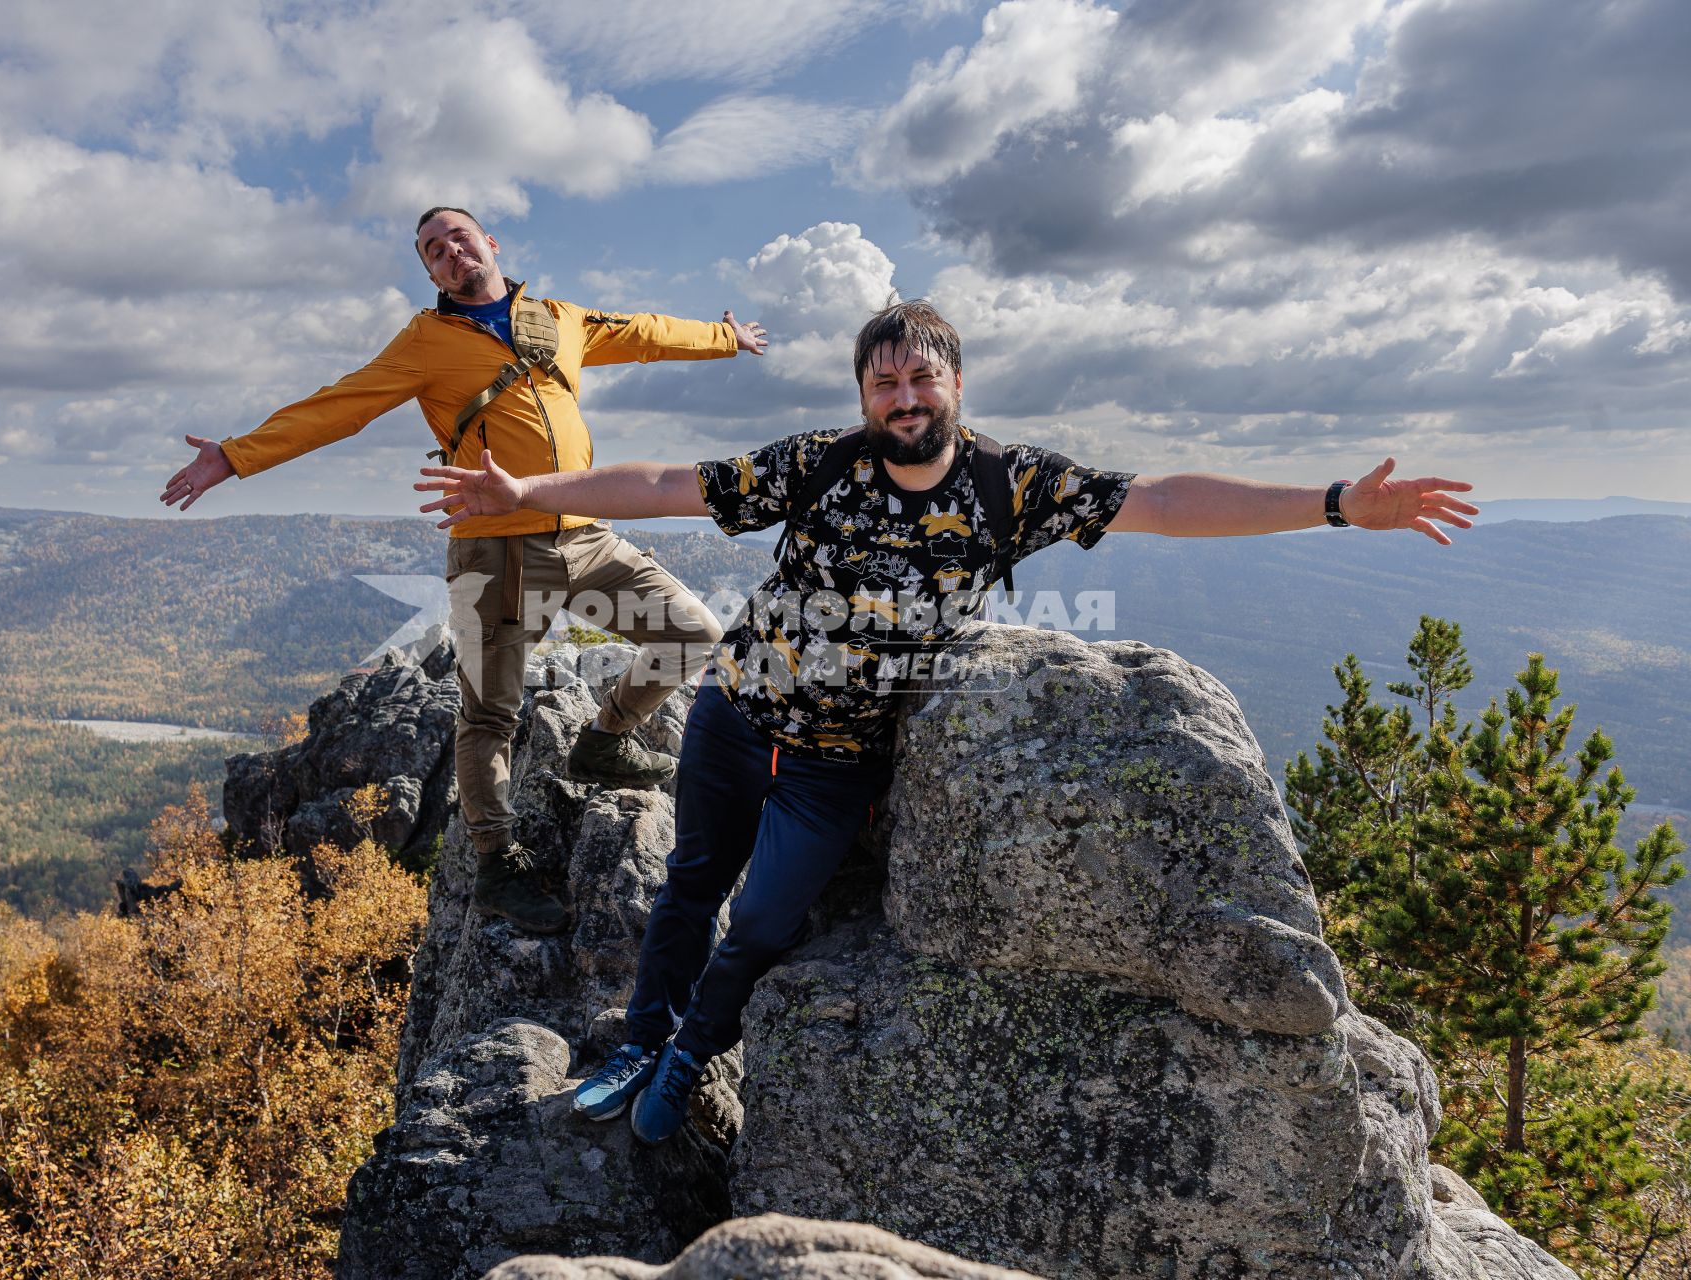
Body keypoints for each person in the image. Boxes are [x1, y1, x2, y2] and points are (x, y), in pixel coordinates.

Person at [414, 299, 1479, 1144]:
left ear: (956, 383)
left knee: (765, 924)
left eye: (924, 376)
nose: (906, 394)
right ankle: (640, 1042)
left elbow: (1162, 498)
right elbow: (669, 481)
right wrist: (528, 486)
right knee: (692, 880)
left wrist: (1337, 501)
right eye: (886, 379)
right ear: (865, 393)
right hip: (735, 718)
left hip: (835, 765)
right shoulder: (821, 461)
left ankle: (692, 1051)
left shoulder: (1010, 486)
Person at [159, 206, 769, 936]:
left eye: (459, 238)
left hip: (584, 535)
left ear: (490, 244)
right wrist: (236, 454)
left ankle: (605, 740)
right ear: (429, 273)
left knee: (691, 633)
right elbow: (342, 406)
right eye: (432, 251)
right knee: (489, 715)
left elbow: (642, 334)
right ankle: (496, 860)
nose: (450, 252)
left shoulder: (557, 318)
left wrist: (724, 338)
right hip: (494, 552)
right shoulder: (426, 342)